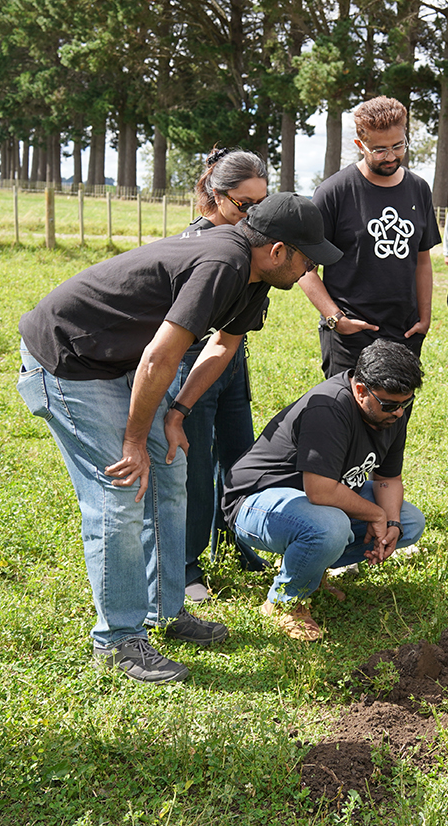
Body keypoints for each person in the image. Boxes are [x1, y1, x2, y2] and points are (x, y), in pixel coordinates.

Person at [17, 193, 341, 684]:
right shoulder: (223, 261)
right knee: (121, 489)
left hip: (120, 362)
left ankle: (165, 611)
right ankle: (118, 642)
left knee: (168, 472)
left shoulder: (255, 279)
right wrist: (131, 441)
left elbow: (223, 345)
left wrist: (178, 412)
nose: (310, 268)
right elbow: (160, 356)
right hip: (70, 358)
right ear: (277, 250)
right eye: (307, 257)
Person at [224, 340, 428, 641]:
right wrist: (375, 513)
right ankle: (285, 602)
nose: (399, 413)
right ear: (360, 390)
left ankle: (311, 569)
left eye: (405, 403)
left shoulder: (390, 414)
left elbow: (388, 479)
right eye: (390, 405)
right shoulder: (329, 407)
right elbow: (320, 491)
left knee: (409, 521)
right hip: (256, 502)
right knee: (330, 526)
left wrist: (391, 522)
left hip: (312, 504)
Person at [177, 148, 269, 602]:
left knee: (240, 458)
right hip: (193, 362)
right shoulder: (199, 242)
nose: (253, 215)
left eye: (261, 204)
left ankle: (238, 540)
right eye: (245, 205)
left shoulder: (247, 243)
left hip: (232, 361)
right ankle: (187, 566)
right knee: (194, 469)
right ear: (217, 196)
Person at [299, 96, 441, 377]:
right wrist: (336, 319)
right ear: (359, 145)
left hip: (405, 332)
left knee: (396, 416)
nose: (390, 156)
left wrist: (424, 319)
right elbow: (303, 267)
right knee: (347, 415)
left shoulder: (419, 189)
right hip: (350, 334)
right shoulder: (333, 192)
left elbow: (423, 260)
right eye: (379, 150)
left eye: (398, 146)